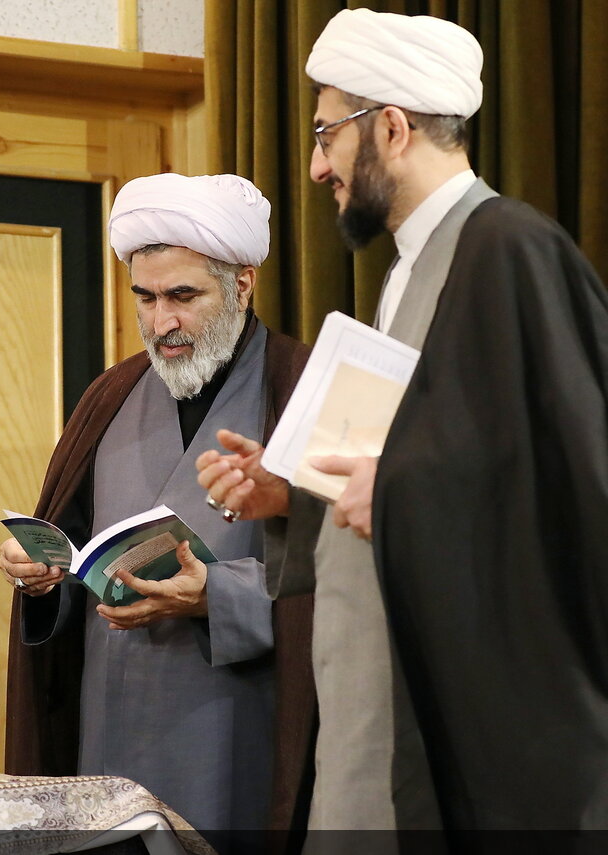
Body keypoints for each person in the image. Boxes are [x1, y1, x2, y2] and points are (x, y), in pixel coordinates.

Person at [199, 8, 608, 831]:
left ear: (389, 128)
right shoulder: (404, 272)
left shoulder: (510, 248)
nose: (316, 166)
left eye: (327, 134)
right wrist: (295, 496)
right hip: (372, 711)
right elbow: (410, 468)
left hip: (459, 734)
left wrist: (402, 489)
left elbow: (574, 481)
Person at [1, 173, 317, 844]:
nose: (160, 323)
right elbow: (73, 552)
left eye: (183, 296)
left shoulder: (303, 390)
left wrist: (217, 598)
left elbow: (354, 583)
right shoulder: (111, 394)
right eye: (145, 297)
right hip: (107, 742)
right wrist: (41, 575)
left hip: (235, 738)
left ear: (243, 283)